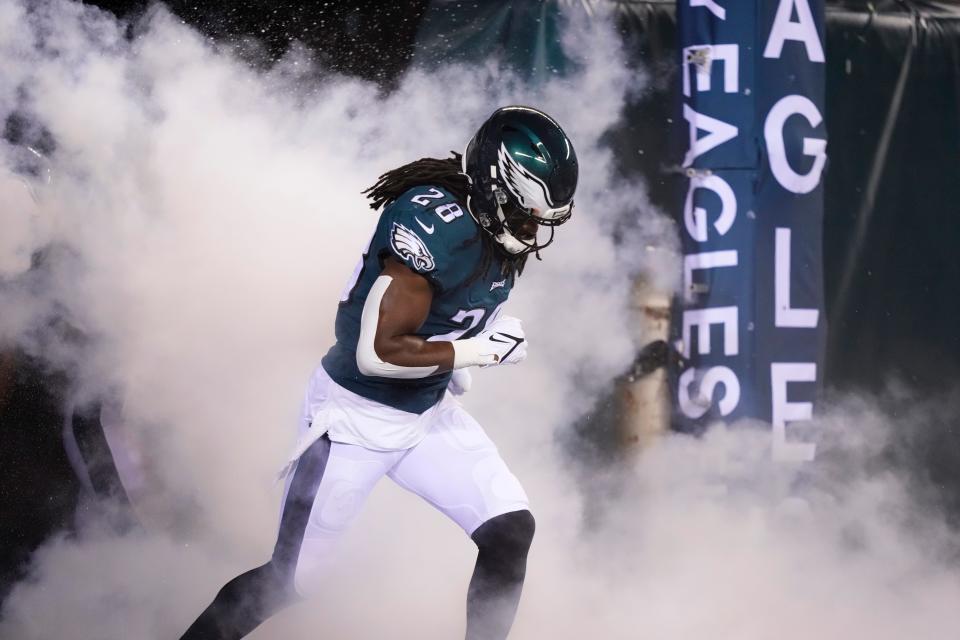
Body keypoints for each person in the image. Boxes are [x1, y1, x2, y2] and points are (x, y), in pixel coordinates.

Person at [178, 105, 579, 640]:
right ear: (492, 188)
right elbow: (377, 352)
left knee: (510, 530)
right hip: (354, 419)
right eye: (526, 214)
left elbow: (454, 302)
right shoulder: (433, 228)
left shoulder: (493, 227)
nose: (533, 230)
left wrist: (473, 340)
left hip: (426, 412)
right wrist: (473, 352)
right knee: (291, 582)